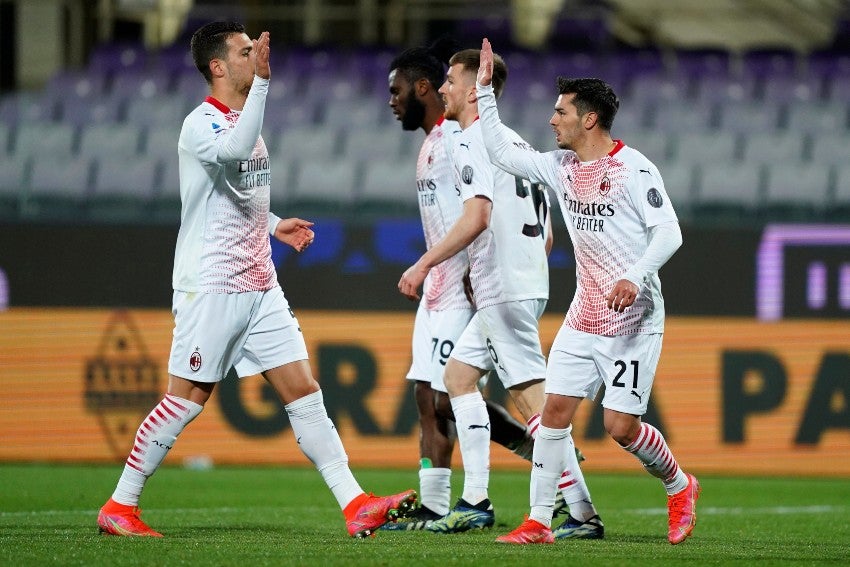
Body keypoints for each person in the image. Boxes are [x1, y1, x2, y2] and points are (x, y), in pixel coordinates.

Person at [96, 21, 416, 539]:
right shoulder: (200, 124)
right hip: (213, 284)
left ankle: (355, 503)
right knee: (186, 400)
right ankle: (120, 505)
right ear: (218, 67)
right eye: (245, 52)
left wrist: (273, 224)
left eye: (256, 52)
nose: (256, 57)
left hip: (259, 282)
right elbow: (233, 155)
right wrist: (264, 84)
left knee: (303, 389)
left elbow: (233, 192)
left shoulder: (244, 120)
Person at [475, 38, 700, 545]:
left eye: (561, 113)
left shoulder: (633, 169)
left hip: (634, 317)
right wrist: (485, 93)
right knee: (553, 414)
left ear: (589, 119)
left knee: (620, 427)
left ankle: (679, 484)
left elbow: (669, 231)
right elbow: (500, 150)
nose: (552, 121)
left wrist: (634, 275)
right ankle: (537, 520)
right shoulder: (560, 168)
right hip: (585, 314)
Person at [398, 47, 600, 537]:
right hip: (521, 283)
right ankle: (478, 501)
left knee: (535, 404)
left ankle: (579, 511)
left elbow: (478, 216)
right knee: (458, 378)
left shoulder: (469, 140)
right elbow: (547, 234)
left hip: (503, 288)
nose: (442, 88)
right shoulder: (512, 142)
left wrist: (424, 264)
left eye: (449, 80)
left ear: (473, 89)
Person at [383, 42, 540, 531]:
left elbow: (483, 213)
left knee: (450, 396)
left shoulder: (461, 139)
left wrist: (477, 270)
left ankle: (530, 445)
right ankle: (435, 504)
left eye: (397, 90)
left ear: (424, 88)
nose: (391, 100)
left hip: (463, 288)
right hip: (436, 292)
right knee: (426, 400)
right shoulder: (435, 142)